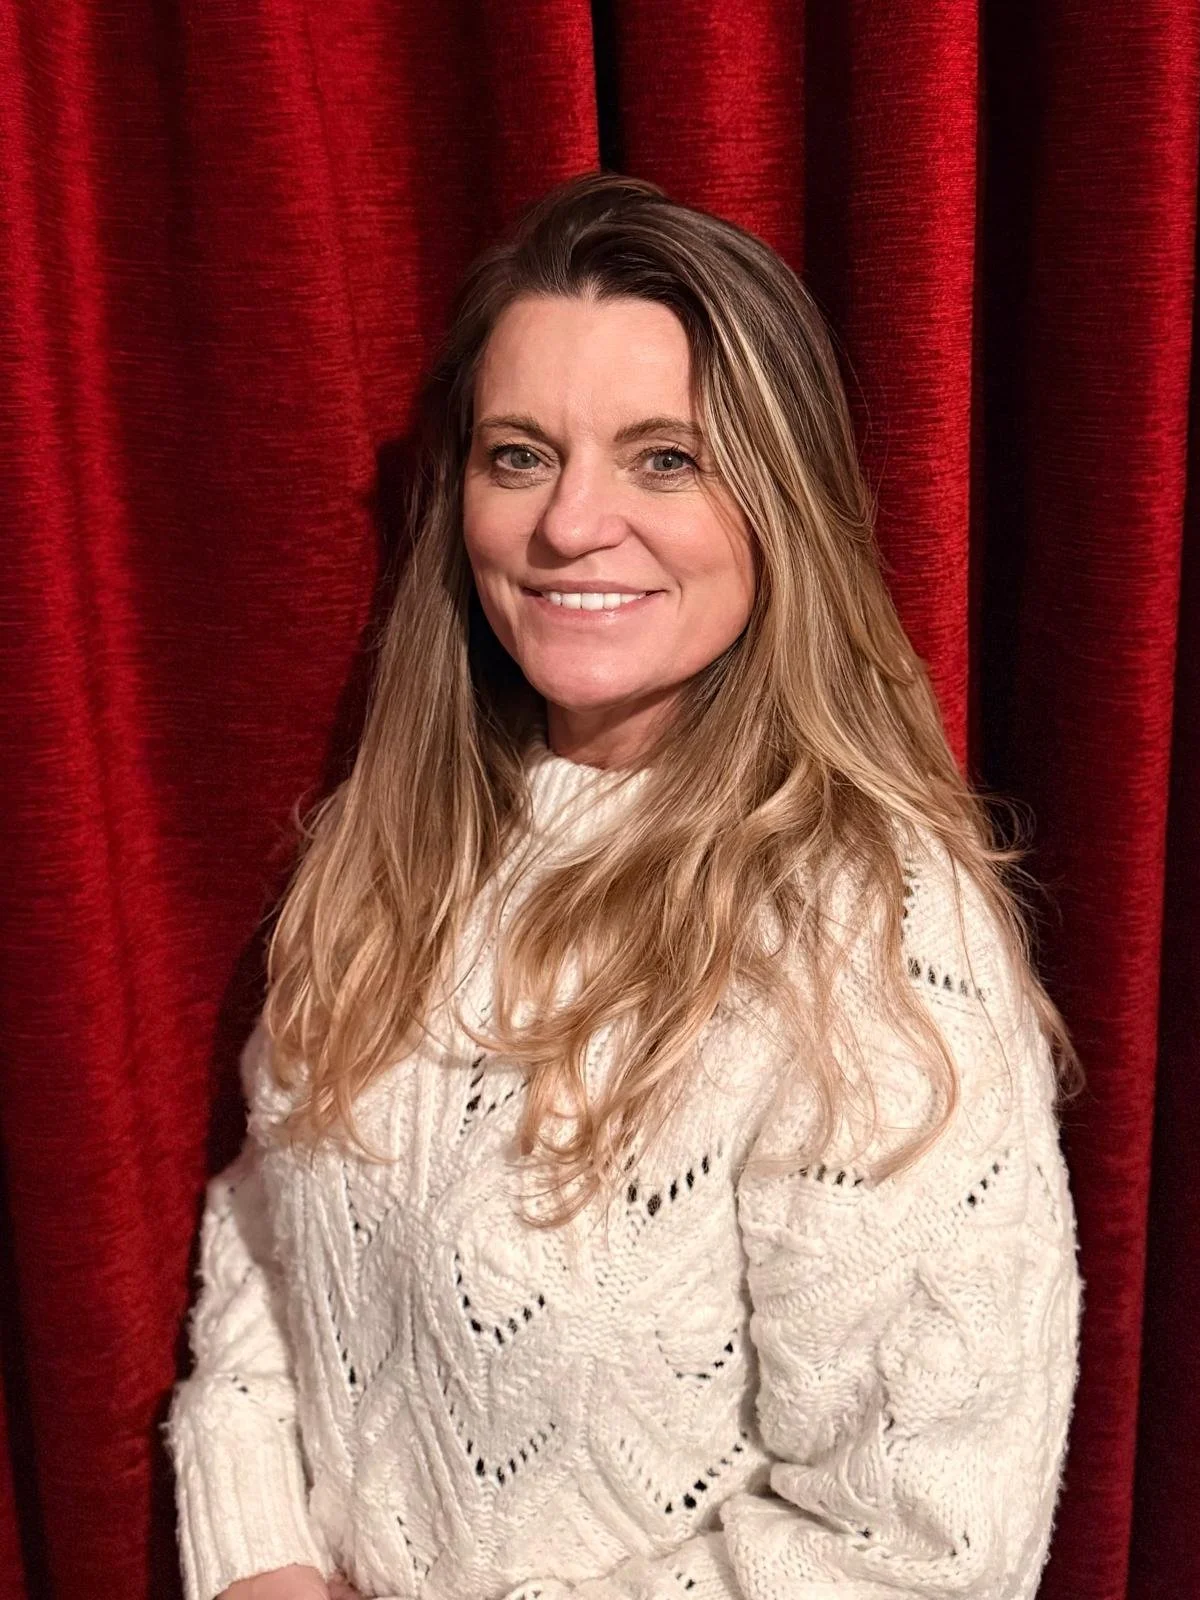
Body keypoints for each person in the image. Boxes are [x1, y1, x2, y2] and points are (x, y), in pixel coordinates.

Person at [163, 171, 1082, 1600]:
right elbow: (267, 1240)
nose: (572, 525)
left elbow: (920, 1557)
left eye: (666, 459)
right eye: (521, 454)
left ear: (783, 502)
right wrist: (256, 1559)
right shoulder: (390, 840)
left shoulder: (874, 935)